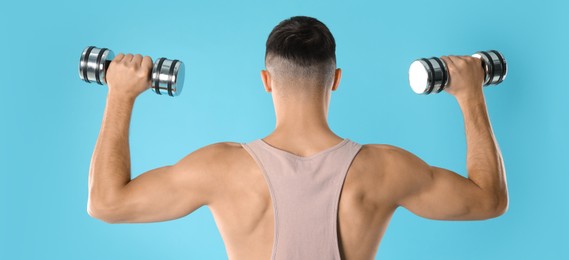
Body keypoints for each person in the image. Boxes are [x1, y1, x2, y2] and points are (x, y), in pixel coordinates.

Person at [87, 16, 509, 260]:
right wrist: (470, 94)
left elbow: (107, 204)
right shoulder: (385, 168)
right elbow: (489, 200)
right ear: (336, 80)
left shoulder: (219, 168)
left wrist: (121, 95)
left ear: (267, 81)